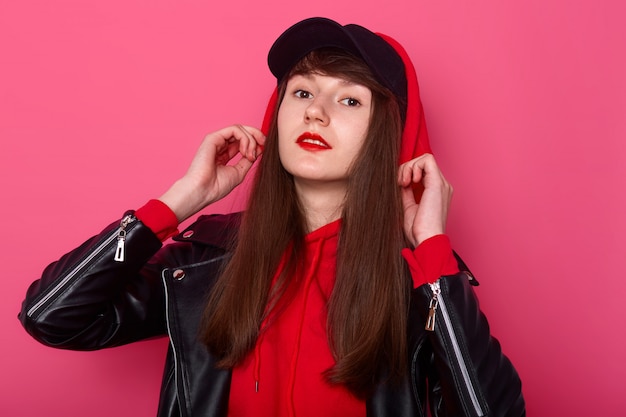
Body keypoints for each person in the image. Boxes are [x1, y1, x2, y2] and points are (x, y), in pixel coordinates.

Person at [19, 17, 525, 417]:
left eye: (349, 99)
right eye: (302, 92)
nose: (315, 113)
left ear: (388, 138)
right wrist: (174, 205)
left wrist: (431, 247)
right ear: (276, 114)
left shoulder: (420, 283)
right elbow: (51, 318)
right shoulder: (204, 266)